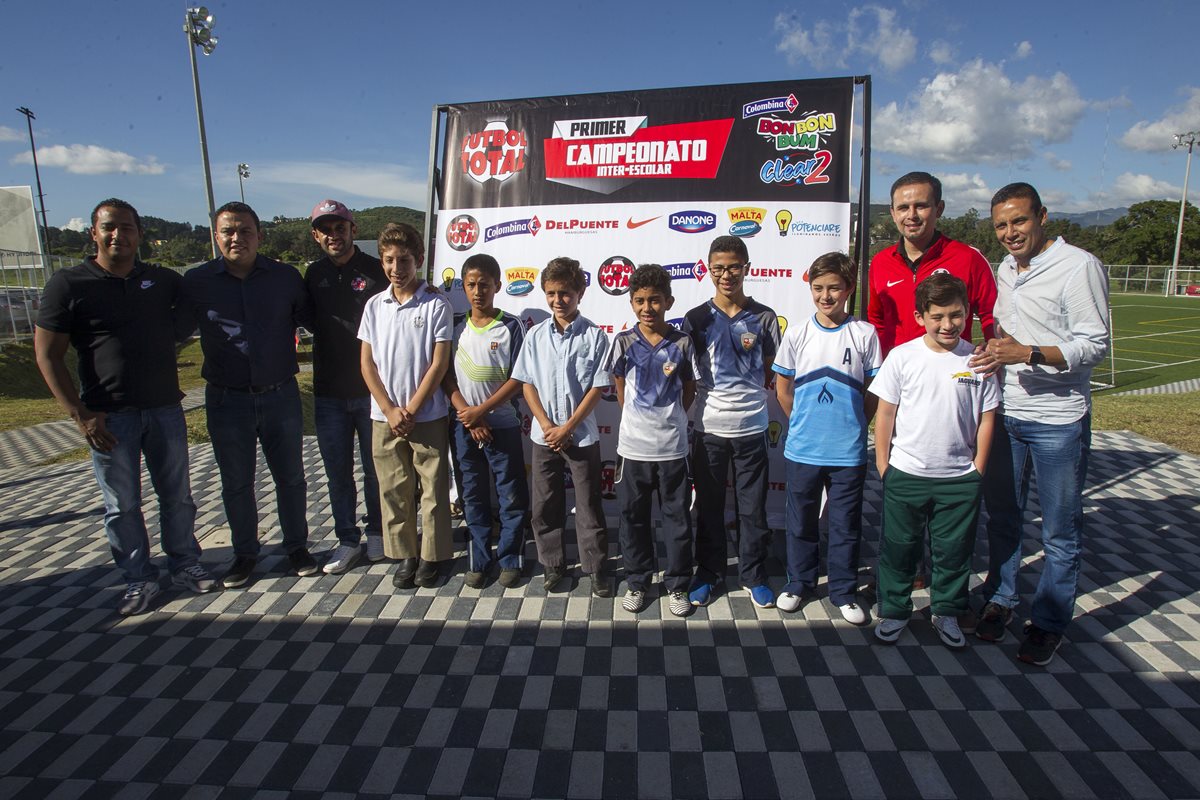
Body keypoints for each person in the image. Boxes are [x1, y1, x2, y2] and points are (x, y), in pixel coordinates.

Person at [35, 198, 215, 615]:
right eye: (110, 227)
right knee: (122, 506)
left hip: (165, 408)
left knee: (177, 496)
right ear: (94, 233)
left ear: (140, 234)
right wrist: (80, 415)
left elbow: (188, 313)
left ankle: (185, 564)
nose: (119, 235)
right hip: (108, 416)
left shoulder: (163, 280)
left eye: (127, 228)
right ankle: (138, 578)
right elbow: (47, 355)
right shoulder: (69, 284)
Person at [970, 182, 1110, 666]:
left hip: (1059, 421)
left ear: (1043, 217)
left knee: (1059, 531)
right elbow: (1007, 335)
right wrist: (995, 351)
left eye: (1019, 221)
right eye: (1002, 225)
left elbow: (1094, 346)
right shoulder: (1006, 270)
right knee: (1005, 519)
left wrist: (1028, 353)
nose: (1010, 233)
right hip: (1008, 413)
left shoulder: (1078, 266)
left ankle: (1049, 622)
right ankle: (1002, 599)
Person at [182, 201, 315, 589]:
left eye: (244, 230)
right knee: (236, 482)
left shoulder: (286, 277)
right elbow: (166, 334)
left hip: (280, 395)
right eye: (228, 231)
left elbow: (318, 321)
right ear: (215, 236)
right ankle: (245, 554)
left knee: (291, 477)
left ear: (259, 235)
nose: (236, 238)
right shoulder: (196, 281)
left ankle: (297, 547)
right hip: (227, 400)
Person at [869, 274, 999, 649]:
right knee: (898, 548)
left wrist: (978, 469)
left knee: (954, 551)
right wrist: (883, 465)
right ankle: (894, 611)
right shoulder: (903, 357)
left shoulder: (978, 360)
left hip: (959, 478)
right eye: (938, 316)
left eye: (956, 315)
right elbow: (886, 414)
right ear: (920, 316)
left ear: (967, 313)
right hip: (906, 473)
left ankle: (946, 612)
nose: (948, 324)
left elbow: (988, 417)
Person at [772, 252, 880, 623]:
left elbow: (873, 392)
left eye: (834, 288)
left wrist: (853, 425)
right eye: (818, 288)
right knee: (801, 521)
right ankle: (799, 583)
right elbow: (783, 387)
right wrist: (801, 421)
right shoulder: (798, 332)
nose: (826, 296)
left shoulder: (865, 333)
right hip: (803, 447)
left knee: (844, 524)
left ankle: (844, 590)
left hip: (848, 452)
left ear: (850, 288)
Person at [683, 235, 781, 608]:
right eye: (719, 268)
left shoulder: (765, 317)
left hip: (752, 428)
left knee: (752, 507)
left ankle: (753, 574)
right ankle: (708, 572)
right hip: (708, 429)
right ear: (708, 271)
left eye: (734, 267)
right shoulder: (696, 318)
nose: (727, 275)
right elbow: (687, 376)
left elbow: (771, 372)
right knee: (708, 507)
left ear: (747, 268)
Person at [358, 222, 454, 590]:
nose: (396, 268)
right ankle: (405, 556)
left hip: (426, 414)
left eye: (404, 260)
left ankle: (432, 555)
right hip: (384, 416)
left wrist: (411, 408)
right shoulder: (374, 305)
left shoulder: (435, 305)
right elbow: (367, 363)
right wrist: (389, 408)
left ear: (420, 260)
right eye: (389, 260)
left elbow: (438, 363)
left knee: (431, 488)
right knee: (394, 488)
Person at [511, 257, 612, 597]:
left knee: (588, 505)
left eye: (565, 293)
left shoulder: (595, 336)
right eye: (551, 293)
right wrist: (545, 423)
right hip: (544, 436)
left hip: (580, 436)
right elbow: (526, 383)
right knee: (545, 503)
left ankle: (596, 567)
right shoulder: (535, 335)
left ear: (580, 292)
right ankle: (552, 564)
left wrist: (568, 426)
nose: (558, 300)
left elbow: (598, 387)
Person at [604, 264, 699, 616]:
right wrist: (639, 420)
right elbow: (618, 388)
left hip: (673, 449)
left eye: (655, 300)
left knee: (677, 518)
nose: (648, 308)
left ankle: (677, 584)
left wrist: (670, 419)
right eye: (640, 301)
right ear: (631, 303)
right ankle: (638, 581)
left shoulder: (683, 342)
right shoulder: (624, 342)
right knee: (633, 517)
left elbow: (689, 390)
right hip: (633, 448)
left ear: (669, 301)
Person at [305, 199, 386, 574]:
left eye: (340, 227)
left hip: (371, 390)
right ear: (316, 235)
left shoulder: (376, 270)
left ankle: (377, 533)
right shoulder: (312, 275)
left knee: (375, 468)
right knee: (337, 471)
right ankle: (347, 540)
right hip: (328, 394)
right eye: (326, 229)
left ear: (354, 230)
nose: (334, 235)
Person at [442, 253, 529, 589]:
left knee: (510, 494)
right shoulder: (455, 327)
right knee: (473, 495)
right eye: (471, 285)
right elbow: (446, 376)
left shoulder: (511, 326)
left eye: (484, 284)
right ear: (463, 287)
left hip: (502, 425)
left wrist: (482, 411)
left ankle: (510, 559)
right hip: (463, 427)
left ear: (498, 285)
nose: (478, 291)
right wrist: (467, 413)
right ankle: (479, 559)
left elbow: (518, 379)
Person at [868, 172, 997, 355]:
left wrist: (992, 348)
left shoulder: (968, 258)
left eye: (921, 206)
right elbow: (876, 319)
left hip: (951, 374)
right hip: (897, 375)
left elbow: (991, 314)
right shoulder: (880, 262)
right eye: (903, 208)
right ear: (893, 213)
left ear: (939, 208)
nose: (911, 215)